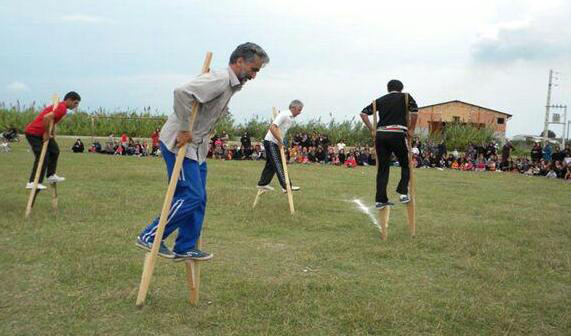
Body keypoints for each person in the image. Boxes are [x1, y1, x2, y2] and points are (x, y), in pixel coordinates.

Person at [137, 42, 269, 261]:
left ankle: (185, 246)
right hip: (179, 144)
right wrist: (184, 129)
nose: (255, 75)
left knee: (200, 198)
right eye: (254, 69)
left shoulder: (230, 84)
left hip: (197, 148)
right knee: (190, 195)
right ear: (239, 62)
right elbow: (181, 93)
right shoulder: (219, 79)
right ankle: (150, 236)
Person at [360, 79, 418, 208]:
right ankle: (403, 193)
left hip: (381, 135)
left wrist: (372, 130)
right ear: (401, 88)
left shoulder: (379, 100)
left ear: (388, 89)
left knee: (382, 168)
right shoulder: (406, 97)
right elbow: (414, 113)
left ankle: (380, 200)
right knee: (406, 163)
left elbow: (363, 114)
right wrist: (412, 129)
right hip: (397, 133)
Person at [24, 91, 81, 190]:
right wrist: (46, 133)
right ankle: (33, 182)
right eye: (75, 103)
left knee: (55, 151)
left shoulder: (62, 108)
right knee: (43, 156)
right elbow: (46, 118)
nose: (76, 106)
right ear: (69, 100)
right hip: (34, 133)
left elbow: (52, 121)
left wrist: (51, 133)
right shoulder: (62, 108)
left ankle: (50, 175)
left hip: (43, 133)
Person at [256, 100, 303, 192]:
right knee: (278, 163)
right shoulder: (284, 114)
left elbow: (281, 130)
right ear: (293, 108)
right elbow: (272, 127)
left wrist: (281, 140)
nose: (300, 112)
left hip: (275, 142)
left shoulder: (291, 118)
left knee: (271, 164)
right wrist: (279, 140)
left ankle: (263, 183)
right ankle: (286, 186)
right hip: (271, 142)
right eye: (299, 110)